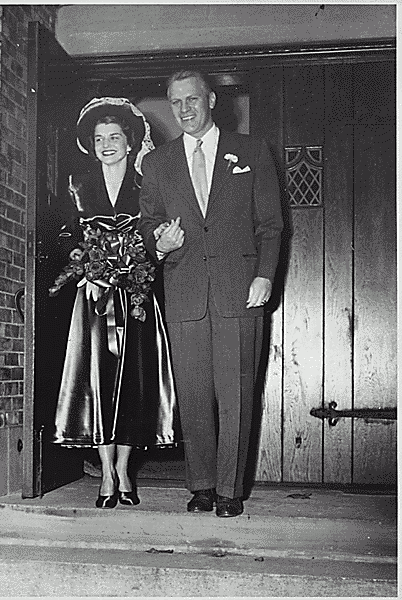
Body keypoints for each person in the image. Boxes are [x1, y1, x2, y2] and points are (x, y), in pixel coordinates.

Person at [138, 70, 283, 517]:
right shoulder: (158, 163)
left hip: (239, 291)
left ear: (211, 100)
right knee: (195, 393)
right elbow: (148, 225)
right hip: (184, 291)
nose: (184, 109)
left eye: (192, 99)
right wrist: (159, 243)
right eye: (175, 101)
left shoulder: (251, 151)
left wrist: (264, 275)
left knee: (237, 394)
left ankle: (229, 490)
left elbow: (271, 224)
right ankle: (201, 485)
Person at [53, 97, 179, 509]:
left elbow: (154, 235)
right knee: (98, 381)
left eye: (115, 137)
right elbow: (65, 236)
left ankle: (125, 469)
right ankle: (105, 473)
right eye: (99, 137)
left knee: (133, 385)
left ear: (130, 141)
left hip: (137, 298)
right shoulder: (77, 184)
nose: (107, 143)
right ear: (90, 144)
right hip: (93, 300)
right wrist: (86, 269)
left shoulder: (147, 183)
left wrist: (142, 262)